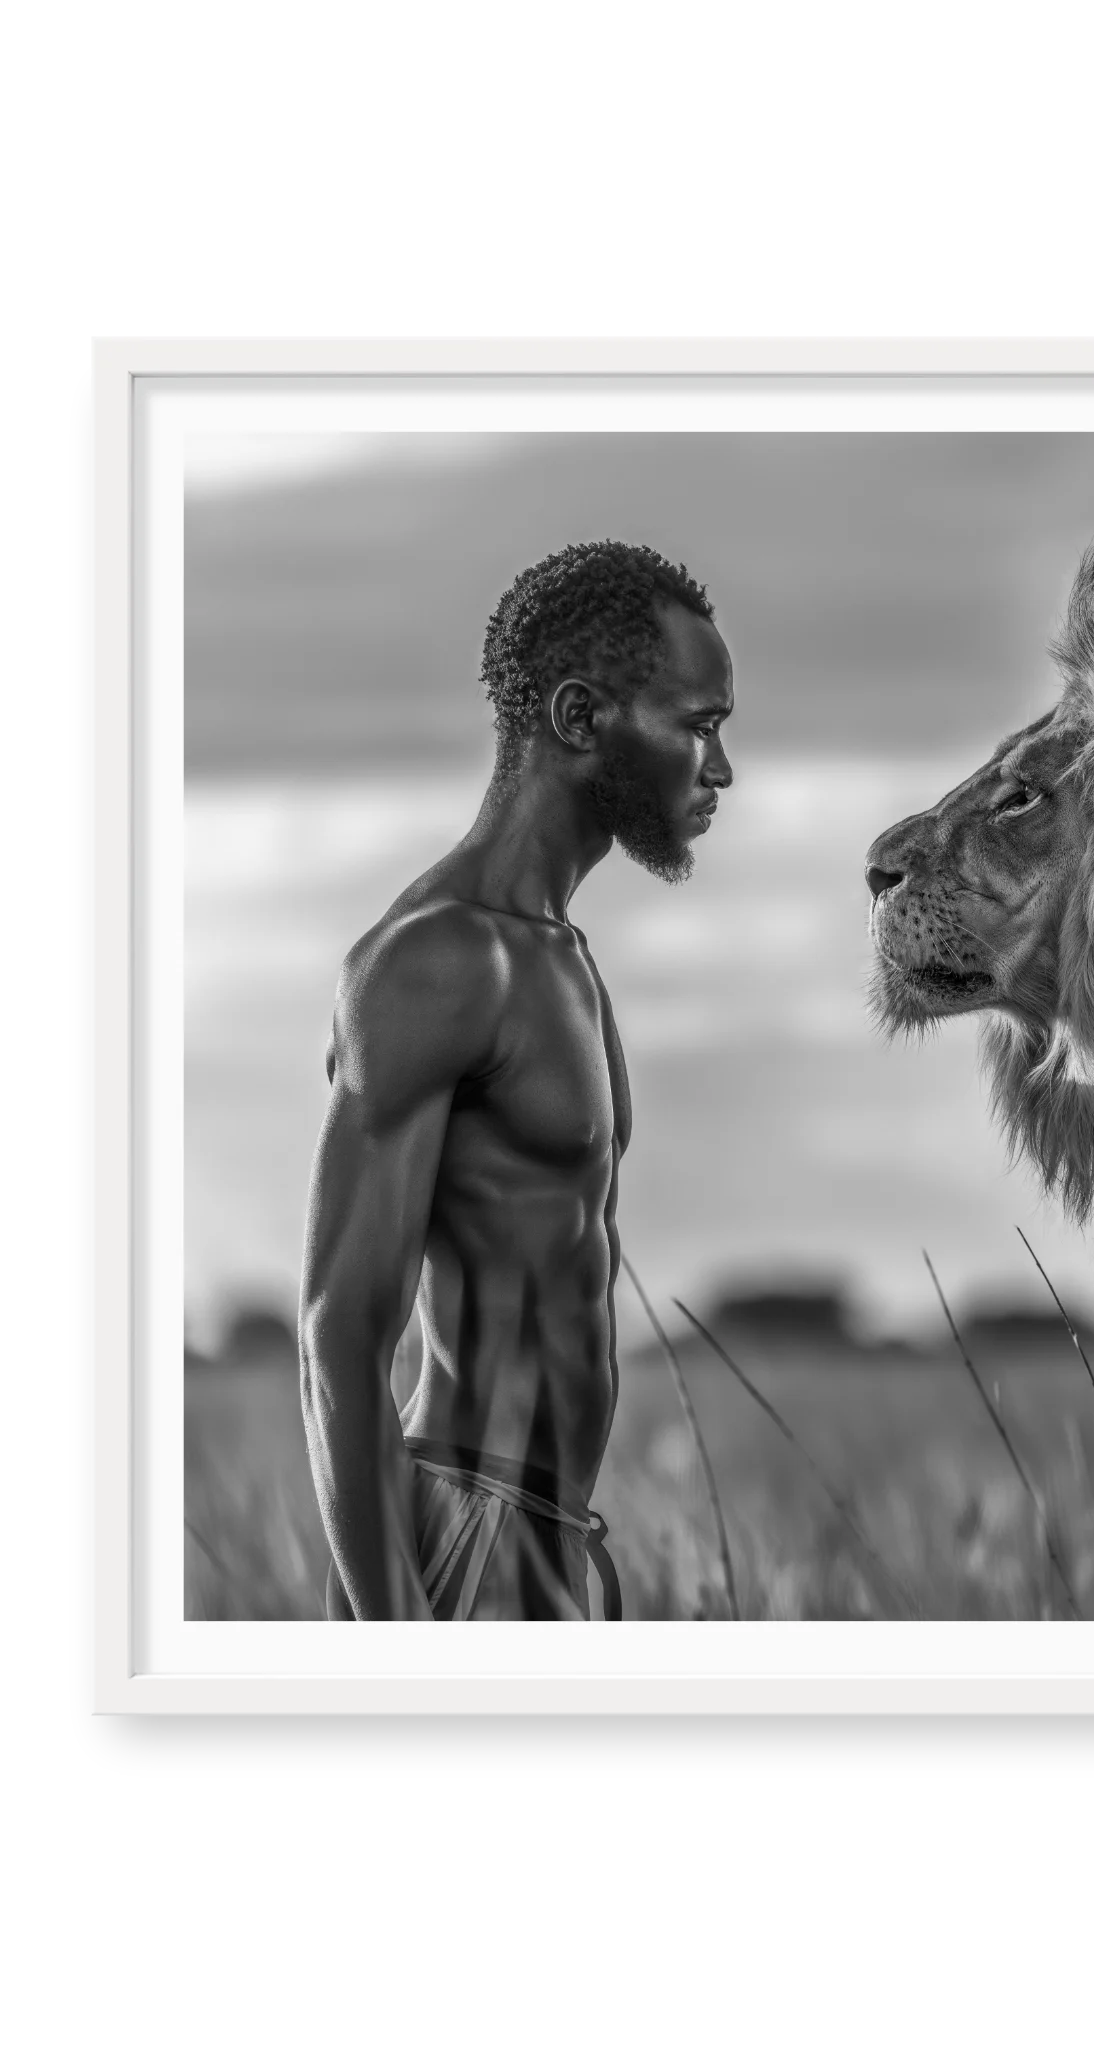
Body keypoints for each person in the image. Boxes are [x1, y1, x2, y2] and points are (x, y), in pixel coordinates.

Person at [298, 541, 734, 1619]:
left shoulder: (562, 955)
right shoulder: (439, 960)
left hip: (552, 1536)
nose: (719, 770)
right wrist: (402, 1638)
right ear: (582, 717)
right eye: (698, 725)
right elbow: (339, 1335)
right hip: (463, 1533)